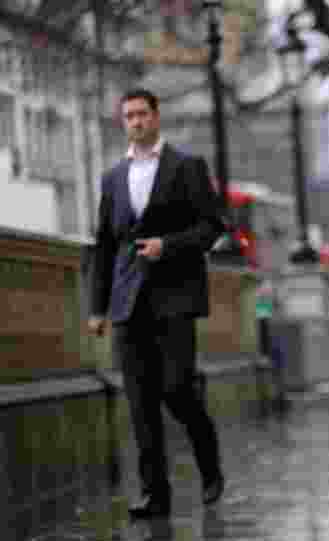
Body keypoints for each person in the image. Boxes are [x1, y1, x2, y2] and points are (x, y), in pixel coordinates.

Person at [87, 88, 226, 519]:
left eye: (143, 114)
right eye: (128, 116)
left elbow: (212, 227)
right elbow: (105, 246)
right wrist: (97, 308)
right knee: (140, 399)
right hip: (129, 300)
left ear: (157, 115)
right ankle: (154, 493)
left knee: (176, 387)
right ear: (122, 122)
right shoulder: (112, 179)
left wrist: (168, 245)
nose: (136, 122)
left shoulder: (186, 167)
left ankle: (208, 459)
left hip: (176, 296)